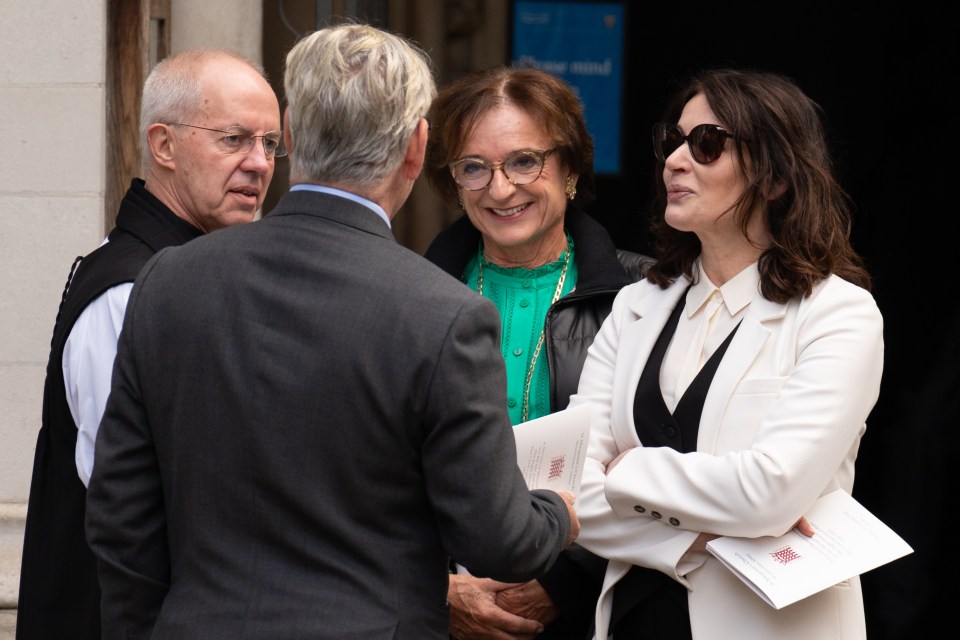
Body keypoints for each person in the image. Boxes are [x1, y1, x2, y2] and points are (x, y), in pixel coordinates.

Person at [84, 23, 579, 640]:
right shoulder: (443, 315)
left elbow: (121, 522)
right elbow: (500, 540)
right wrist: (559, 513)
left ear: (289, 131)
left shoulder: (168, 280)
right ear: (417, 147)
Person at [568, 68, 883, 639]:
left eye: (706, 143)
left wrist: (628, 469)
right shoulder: (635, 306)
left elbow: (769, 492)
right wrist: (706, 537)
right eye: (673, 140)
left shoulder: (838, 314)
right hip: (632, 620)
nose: (675, 161)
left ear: (775, 177)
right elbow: (572, 493)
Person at [16, 49, 281, 640]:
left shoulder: (190, 273)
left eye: (270, 144)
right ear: (163, 145)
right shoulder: (129, 292)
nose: (259, 164)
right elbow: (134, 510)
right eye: (234, 139)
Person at [423, 66, 650, 640]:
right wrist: (436, 590)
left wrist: (565, 582)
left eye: (525, 161)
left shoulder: (646, 297)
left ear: (570, 167)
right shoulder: (409, 298)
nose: (500, 189)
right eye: (474, 168)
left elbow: (671, 462)